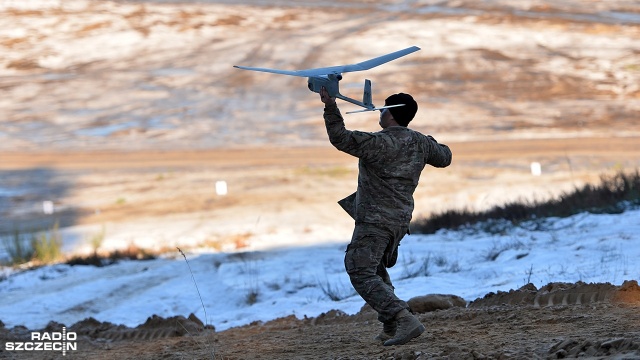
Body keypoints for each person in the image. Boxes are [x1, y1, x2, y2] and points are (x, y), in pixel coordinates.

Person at [319, 86, 452, 346]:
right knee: (375, 268)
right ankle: (391, 325)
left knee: (359, 269)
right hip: (399, 220)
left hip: (375, 219)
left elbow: (340, 138)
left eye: (383, 109)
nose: (380, 112)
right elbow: (445, 157)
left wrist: (329, 105)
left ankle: (403, 318)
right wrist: (425, 141)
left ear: (390, 114)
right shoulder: (420, 142)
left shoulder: (379, 143)